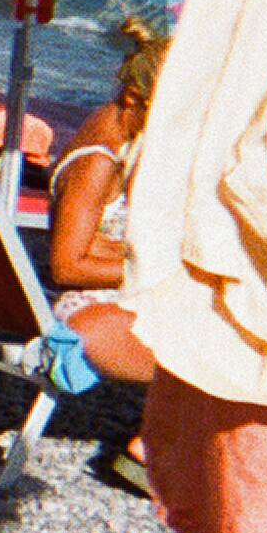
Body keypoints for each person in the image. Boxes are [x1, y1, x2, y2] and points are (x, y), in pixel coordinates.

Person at [45, 34, 164, 385]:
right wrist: (162, 270)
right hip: (89, 309)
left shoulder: (108, 125)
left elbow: (91, 239)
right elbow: (67, 266)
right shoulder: (99, 160)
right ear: (133, 98)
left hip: (102, 298)